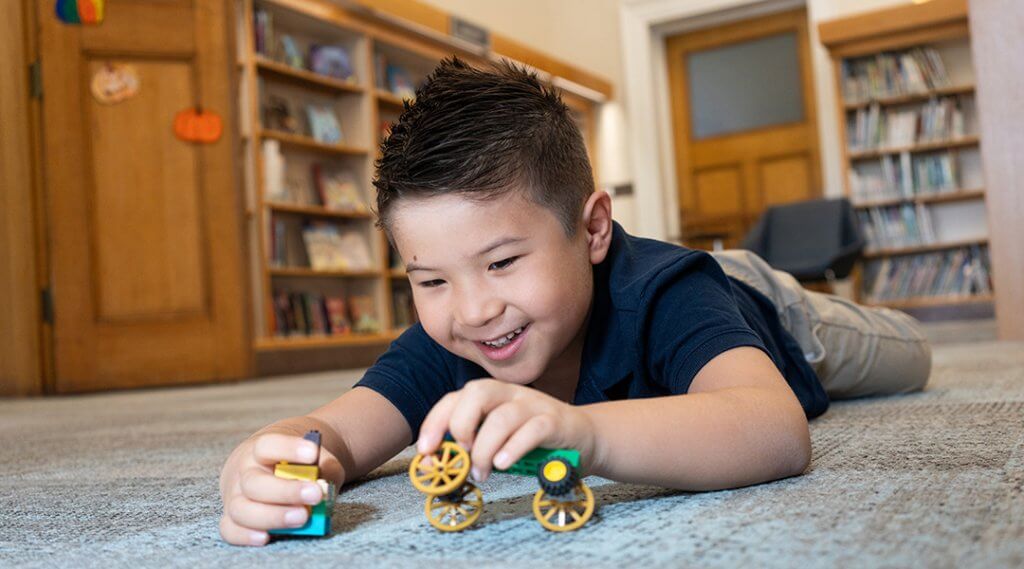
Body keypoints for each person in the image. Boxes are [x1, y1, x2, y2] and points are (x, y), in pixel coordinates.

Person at [219, 57, 931, 546]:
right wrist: (266, 458)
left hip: (762, 304)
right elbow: (334, 434)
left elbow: (776, 430)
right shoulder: (453, 339)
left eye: (500, 262)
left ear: (593, 227)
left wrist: (581, 432)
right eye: (430, 279)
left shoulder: (669, 295)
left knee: (911, 356)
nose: (470, 310)